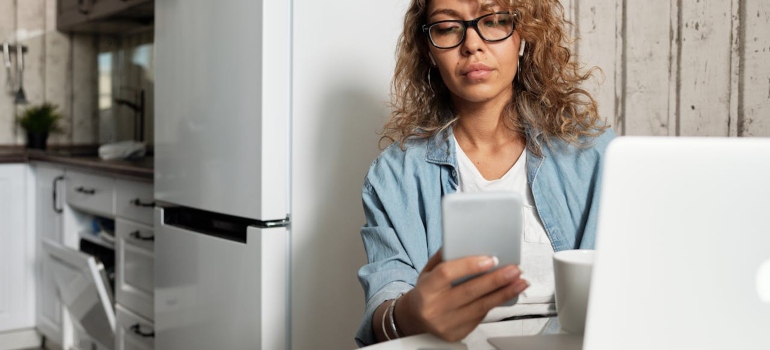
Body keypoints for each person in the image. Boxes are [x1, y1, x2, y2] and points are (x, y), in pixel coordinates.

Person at [355, 0, 615, 346]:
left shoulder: (592, 153)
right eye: (447, 28)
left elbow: (622, 288)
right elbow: (384, 306)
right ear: (429, 50)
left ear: (524, 35)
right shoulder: (395, 175)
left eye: (493, 21)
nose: (472, 44)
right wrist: (412, 313)